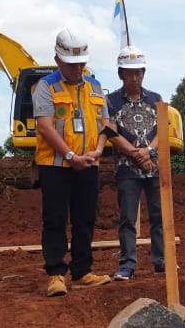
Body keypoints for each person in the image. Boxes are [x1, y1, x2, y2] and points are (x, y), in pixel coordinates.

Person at [32, 28, 112, 297]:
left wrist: (98, 150)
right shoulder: (46, 87)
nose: (78, 69)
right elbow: (45, 126)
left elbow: (105, 123)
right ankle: (56, 274)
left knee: (85, 219)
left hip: (88, 165)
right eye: (71, 64)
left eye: (81, 63)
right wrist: (69, 156)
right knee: (55, 220)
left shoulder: (96, 86)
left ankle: (82, 271)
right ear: (57, 61)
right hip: (56, 166)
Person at [105, 46, 165, 281]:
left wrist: (149, 151)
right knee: (127, 219)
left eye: (138, 72)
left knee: (159, 217)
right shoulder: (110, 101)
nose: (134, 78)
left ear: (144, 73)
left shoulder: (156, 99)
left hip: (155, 167)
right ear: (120, 74)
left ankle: (161, 262)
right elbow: (110, 132)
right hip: (126, 169)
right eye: (129, 73)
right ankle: (127, 265)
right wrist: (136, 154)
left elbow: (162, 129)